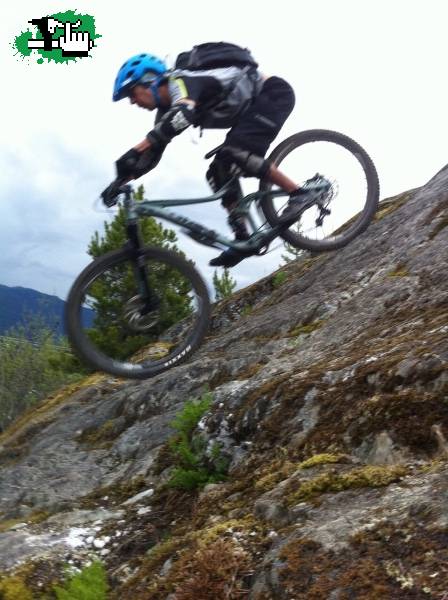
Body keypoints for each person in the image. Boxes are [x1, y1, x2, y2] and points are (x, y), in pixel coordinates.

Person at [107, 49, 317, 267]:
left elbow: (183, 114)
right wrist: (120, 180)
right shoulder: (165, 109)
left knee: (235, 153)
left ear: (149, 80)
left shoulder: (180, 81)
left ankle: (301, 193)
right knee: (218, 170)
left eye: (131, 93)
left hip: (273, 94)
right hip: (251, 108)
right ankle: (242, 236)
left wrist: (136, 149)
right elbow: (154, 150)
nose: (132, 101)